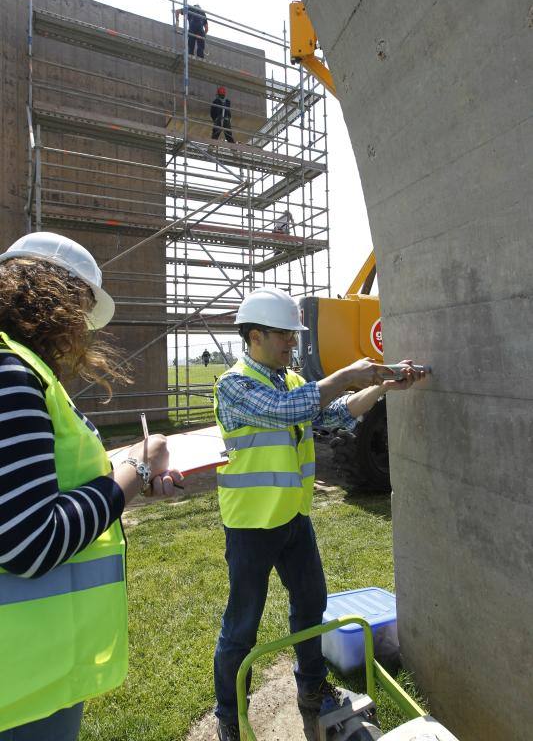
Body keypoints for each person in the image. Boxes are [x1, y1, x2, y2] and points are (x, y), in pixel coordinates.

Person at [212, 287, 425, 741]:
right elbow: (288, 411)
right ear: (254, 336)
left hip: (292, 519)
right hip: (250, 525)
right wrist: (347, 372)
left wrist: (379, 387)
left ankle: (311, 690)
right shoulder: (234, 385)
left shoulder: (289, 381)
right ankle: (230, 716)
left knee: (311, 605)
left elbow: (330, 417)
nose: (293, 343)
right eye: (285, 335)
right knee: (241, 626)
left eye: (293, 334)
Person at [0, 232, 183, 740]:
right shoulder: (11, 372)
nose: (81, 332)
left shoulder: (22, 368)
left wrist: (122, 474)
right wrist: (137, 472)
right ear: (56, 299)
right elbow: (28, 541)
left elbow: (40, 482)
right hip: (17, 689)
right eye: (80, 312)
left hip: (34, 669)